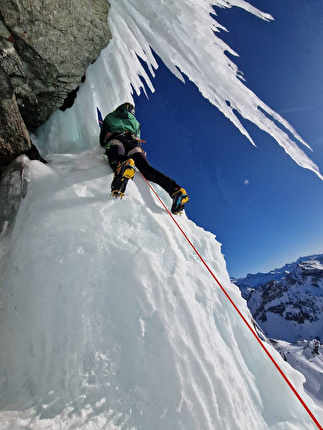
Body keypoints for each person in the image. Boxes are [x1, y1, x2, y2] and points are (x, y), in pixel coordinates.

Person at [99, 102, 189, 214]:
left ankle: (124, 164)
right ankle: (176, 190)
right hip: (134, 144)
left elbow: (102, 139)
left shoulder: (110, 116)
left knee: (117, 158)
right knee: (147, 170)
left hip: (116, 138)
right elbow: (137, 136)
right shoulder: (136, 122)